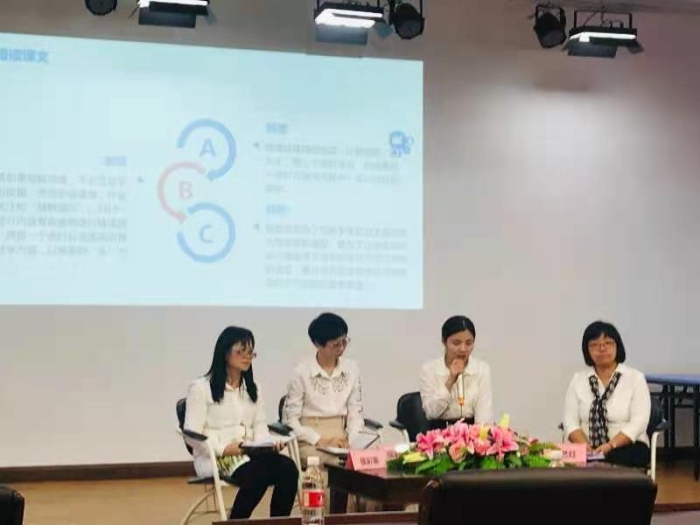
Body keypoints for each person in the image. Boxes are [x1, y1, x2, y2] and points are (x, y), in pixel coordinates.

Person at [184, 326, 299, 519]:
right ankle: (237, 520)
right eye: (241, 352)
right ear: (225, 353)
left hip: (250, 453)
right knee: (258, 473)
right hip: (217, 456)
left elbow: (260, 426)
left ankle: (279, 521)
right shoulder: (201, 388)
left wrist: (268, 444)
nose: (247, 357)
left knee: (288, 468)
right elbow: (191, 434)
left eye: (250, 352)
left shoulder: (253, 388)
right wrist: (224, 449)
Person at [562, 320, 651, 468]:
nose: (601, 348)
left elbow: (639, 422)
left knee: (625, 456)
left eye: (608, 343)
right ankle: (594, 463)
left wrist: (610, 445)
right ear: (587, 350)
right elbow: (570, 421)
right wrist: (585, 446)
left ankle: (597, 465)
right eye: (594, 345)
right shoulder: (578, 380)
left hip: (625, 447)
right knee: (556, 455)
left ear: (618, 346)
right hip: (587, 447)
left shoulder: (635, 378)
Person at [283, 312, 365, 468]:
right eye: (335, 344)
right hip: (310, 440)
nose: (342, 347)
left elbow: (355, 413)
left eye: (344, 341)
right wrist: (320, 439)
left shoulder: (352, 369)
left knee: (368, 456)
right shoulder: (302, 373)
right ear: (318, 344)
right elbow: (290, 421)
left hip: (341, 437)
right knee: (335, 461)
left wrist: (352, 441)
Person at [419, 315, 493, 429]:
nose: (463, 349)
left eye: (469, 343)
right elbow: (431, 412)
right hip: (439, 433)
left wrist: (479, 436)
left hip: (471, 433)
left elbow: (484, 415)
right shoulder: (429, 369)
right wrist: (451, 380)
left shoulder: (482, 369)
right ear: (444, 342)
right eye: (456, 343)